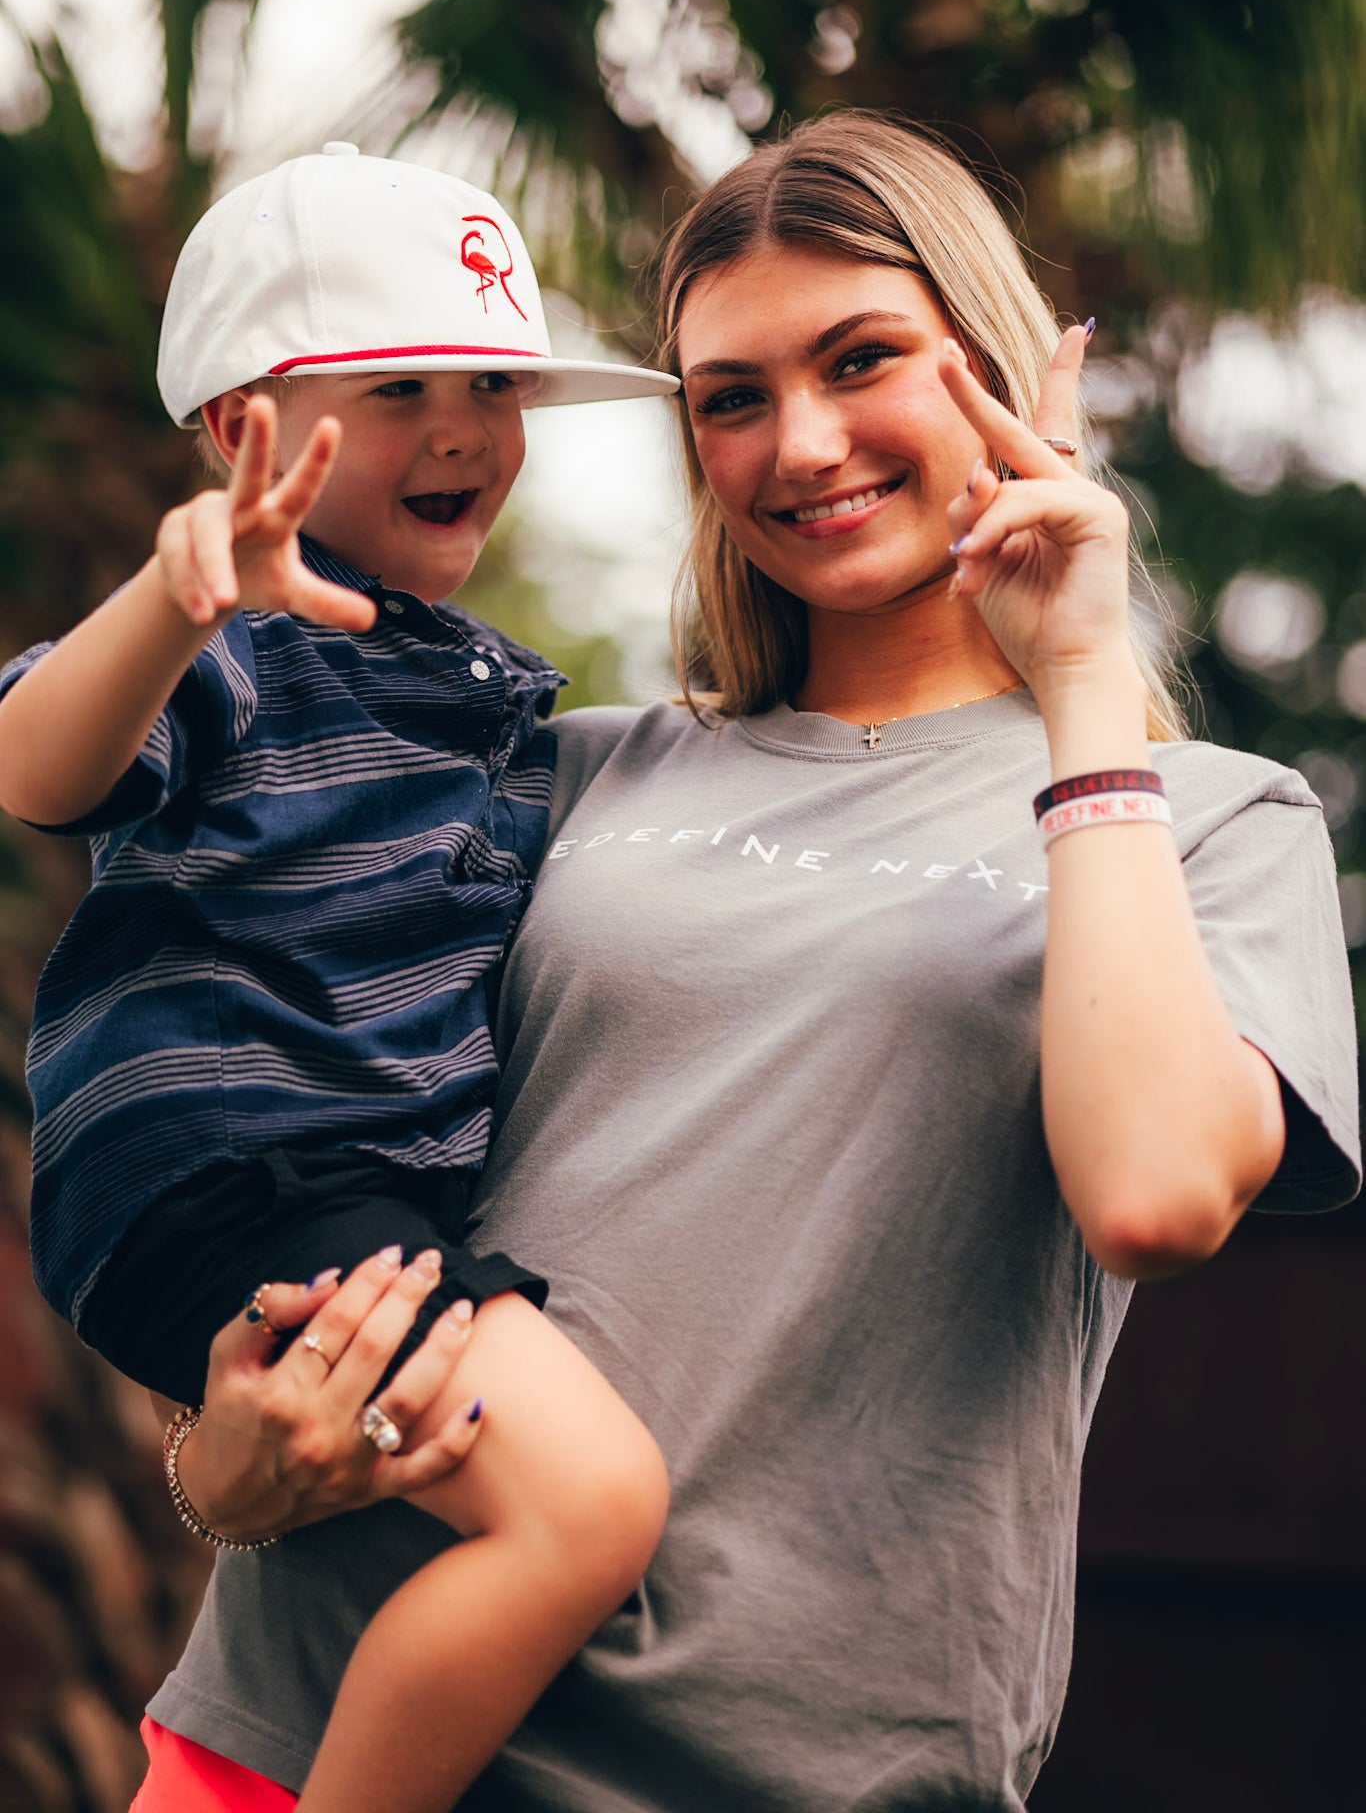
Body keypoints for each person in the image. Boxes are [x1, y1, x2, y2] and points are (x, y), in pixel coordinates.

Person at [130, 113, 1358, 1811]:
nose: (803, 444)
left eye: (865, 360)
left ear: (993, 369)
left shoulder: (1208, 824)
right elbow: (273, 1140)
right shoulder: (555, 770)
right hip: (326, 1727)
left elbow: (1150, 1195)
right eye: (729, 396)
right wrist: (221, 1464)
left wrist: (1080, 687)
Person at [0, 144, 675, 1813]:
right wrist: (177, 595)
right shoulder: (240, 638)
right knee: (586, 1506)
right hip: (236, 1171)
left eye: (494, 385)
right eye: (395, 388)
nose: (463, 429)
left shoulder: (468, 680)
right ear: (239, 436)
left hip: (323, 1194)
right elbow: (37, 764)